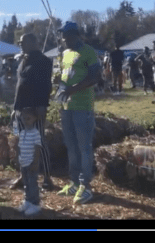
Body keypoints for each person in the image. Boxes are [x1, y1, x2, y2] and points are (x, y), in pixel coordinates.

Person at [54, 22, 101, 205]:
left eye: (65, 35)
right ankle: (74, 182)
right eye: (62, 36)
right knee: (71, 145)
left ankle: (85, 186)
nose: (63, 39)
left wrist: (73, 89)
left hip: (82, 106)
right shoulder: (64, 53)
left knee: (84, 146)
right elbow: (63, 75)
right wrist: (58, 81)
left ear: (74, 35)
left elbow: (95, 77)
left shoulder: (88, 51)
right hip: (66, 106)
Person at [11, 33, 54, 191]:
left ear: (33, 42)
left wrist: (41, 106)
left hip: (34, 109)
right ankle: (24, 176)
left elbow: (45, 86)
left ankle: (47, 178)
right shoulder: (24, 60)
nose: (20, 44)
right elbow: (20, 85)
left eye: (23, 42)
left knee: (39, 142)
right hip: (21, 108)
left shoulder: (43, 61)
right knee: (22, 143)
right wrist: (15, 107)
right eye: (20, 42)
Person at [14, 107, 44, 216]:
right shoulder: (22, 133)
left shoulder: (35, 133)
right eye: (24, 118)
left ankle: (35, 204)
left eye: (28, 118)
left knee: (32, 183)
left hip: (31, 162)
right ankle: (27, 201)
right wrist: (18, 159)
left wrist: (35, 162)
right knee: (26, 183)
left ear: (34, 119)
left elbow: (37, 148)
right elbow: (19, 147)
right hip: (24, 162)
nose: (26, 121)